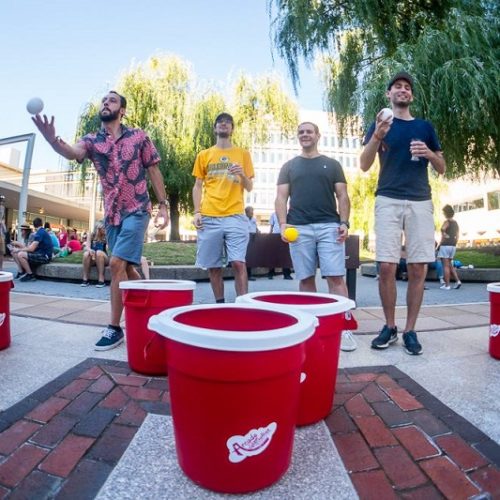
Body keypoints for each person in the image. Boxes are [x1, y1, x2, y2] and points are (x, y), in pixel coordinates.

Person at [32, 90, 169, 350]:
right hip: (112, 215)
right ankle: (152, 306)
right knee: (127, 270)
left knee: (116, 264)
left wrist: (163, 206)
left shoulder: (139, 137)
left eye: (112, 100)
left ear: (123, 110)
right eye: (104, 100)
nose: (106, 103)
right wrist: (53, 141)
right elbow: (72, 152)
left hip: (137, 208)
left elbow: (153, 169)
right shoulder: (93, 140)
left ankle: (114, 328)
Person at [360, 71, 446, 355]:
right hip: (388, 198)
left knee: (418, 266)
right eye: (397, 86)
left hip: (420, 200)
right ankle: (389, 326)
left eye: (407, 87)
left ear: (411, 96)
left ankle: (410, 330)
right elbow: (363, 164)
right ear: (389, 94)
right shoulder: (380, 123)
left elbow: (442, 167)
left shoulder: (424, 126)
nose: (402, 90)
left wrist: (430, 154)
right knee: (386, 265)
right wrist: (376, 137)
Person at [275, 121, 357, 352]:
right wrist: (282, 224)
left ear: (318, 135)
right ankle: (311, 328)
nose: (304, 135)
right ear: (297, 136)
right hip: (298, 229)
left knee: (335, 278)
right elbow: (281, 198)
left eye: (309, 131)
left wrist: (344, 222)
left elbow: (343, 196)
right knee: (306, 278)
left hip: (329, 227)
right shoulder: (289, 166)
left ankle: (344, 327)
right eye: (301, 132)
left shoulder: (331, 165)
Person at [192, 112, 254, 303]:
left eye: (228, 123)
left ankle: (243, 305)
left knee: (238, 262)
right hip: (210, 216)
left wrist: (242, 175)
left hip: (235, 215)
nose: (224, 125)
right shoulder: (204, 155)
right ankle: (220, 303)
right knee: (213, 265)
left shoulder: (243, 154)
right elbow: (197, 186)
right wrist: (196, 212)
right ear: (215, 128)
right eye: (220, 122)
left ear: (232, 129)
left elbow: (249, 186)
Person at [10, 217, 53, 281]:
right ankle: (22, 271)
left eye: (22, 230)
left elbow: (31, 249)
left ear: (34, 225)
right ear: (41, 224)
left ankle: (30, 274)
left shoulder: (39, 233)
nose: (21, 231)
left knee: (20, 254)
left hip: (44, 256)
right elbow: (30, 248)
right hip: (43, 254)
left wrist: (18, 249)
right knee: (17, 253)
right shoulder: (41, 231)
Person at [438, 204, 461, 290]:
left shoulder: (447, 222)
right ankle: (458, 281)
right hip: (453, 245)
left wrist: (444, 235)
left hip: (446, 245)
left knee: (445, 266)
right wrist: (454, 242)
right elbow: (458, 235)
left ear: (446, 213)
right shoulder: (455, 223)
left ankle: (447, 285)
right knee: (450, 265)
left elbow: (443, 229)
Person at [81, 223, 109, 287]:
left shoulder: (106, 236)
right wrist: (90, 250)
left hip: (104, 258)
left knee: (99, 252)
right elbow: (87, 247)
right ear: (98, 229)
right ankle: (85, 279)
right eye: (103, 228)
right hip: (93, 258)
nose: (105, 229)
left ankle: (101, 279)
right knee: (86, 254)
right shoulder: (91, 235)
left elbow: (109, 249)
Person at [267, 211, 293, 280]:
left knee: (285, 255)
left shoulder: (287, 214)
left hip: (285, 235)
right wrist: (270, 234)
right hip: (275, 235)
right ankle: (271, 273)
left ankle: (286, 274)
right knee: (273, 255)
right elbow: (271, 225)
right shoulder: (273, 214)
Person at [245, 205, 258, 281]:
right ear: (246, 212)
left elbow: (255, 227)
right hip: (246, 239)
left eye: (253, 211)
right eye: (251, 212)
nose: (252, 213)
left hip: (253, 238)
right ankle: (247, 275)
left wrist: (258, 231)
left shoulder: (253, 219)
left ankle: (250, 274)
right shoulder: (244, 219)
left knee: (251, 258)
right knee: (247, 257)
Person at [0, 195, 6, 271]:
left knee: (1, 252)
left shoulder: (2, 208)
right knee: (1, 252)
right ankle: (0, 268)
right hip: (1, 233)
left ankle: (1, 268)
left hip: (1, 233)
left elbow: (2, 220)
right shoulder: (2, 208)